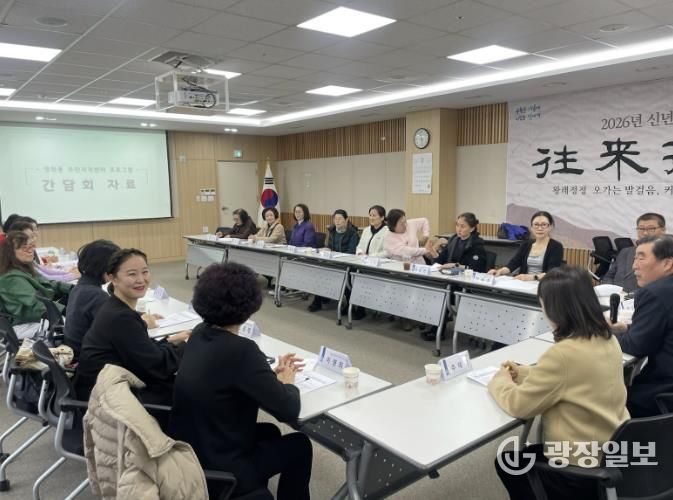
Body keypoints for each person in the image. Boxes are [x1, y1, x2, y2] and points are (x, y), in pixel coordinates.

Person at [169, 263, 312, 500]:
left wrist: (265, 377)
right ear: (249, 307)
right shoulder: (242, 350)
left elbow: (227, 376)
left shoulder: (199, 333)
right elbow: (288, 409)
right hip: (221, 469)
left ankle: (255, 489)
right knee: (300, 445)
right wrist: (287, 382)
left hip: (189, 453)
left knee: (270, 432)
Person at [489, 266, 629, 500]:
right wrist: (522, 373)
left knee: (508, 463)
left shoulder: (563, 354)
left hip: (577, 467)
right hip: (610, 450)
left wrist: (500, 381)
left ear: (554, 308)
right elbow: (571, 379)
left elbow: (518, 405)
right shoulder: (607, 339)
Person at [74, 248, 190, 403]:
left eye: (145, 272)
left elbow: (141, 349)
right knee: (194, 389)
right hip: (107, 400)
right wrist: (187, 345)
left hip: (105, 387)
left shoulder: (114, 306)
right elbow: (158, 366)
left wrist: (173, 340)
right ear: (113, 278)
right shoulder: (121, 317)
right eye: (132, 274)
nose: (141, 279)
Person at [611, 235, 673, 417]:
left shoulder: (655, 293)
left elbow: (636, 346)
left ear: (667, 264)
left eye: (641, 258)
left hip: (662, 394)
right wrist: (627, 329)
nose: (634, 266)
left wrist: (603, 334)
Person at [0, 231, 72, 338]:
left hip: (35, 317)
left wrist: (72, 288)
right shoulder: (11, 278)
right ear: (10, 253)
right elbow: (36, 305)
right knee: (73, 326)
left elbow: (48, 284)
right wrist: (67, 311)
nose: (30, 250)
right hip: (20, 324)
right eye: (24, 248)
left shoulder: (24, 268)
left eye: (31, 246)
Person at [64, 239, 120, 356]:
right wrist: (143, 323)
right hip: (93, 357)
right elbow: (118, 331)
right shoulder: (97, 296)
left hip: (78, 350)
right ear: (103, 266)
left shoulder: (80, 287)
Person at [308, 209, 360, 313]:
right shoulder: (332, 231)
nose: (337, 221)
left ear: (346, 220)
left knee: (345, 276)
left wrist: (334, 255)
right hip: (333, 263)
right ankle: (318, 300)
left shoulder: (353, 233)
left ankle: (349, 303)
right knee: (319, 272)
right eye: (335, 219)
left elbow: (351, 252)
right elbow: (329, 247)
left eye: (340, 219)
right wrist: (326, 249)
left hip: (347, 264)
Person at [489, 211, 563, 281]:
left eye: (544, 225)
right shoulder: (526, 244)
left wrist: (533, 277)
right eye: (536, 224)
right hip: (524, 283)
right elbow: (514, 263)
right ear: (531, 227)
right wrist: (500, 271)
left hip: (543, 284)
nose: (540, 228)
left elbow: (552, 272)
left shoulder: (556, 246)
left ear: (550, 227)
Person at [603, 212, 666, 293]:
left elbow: (664, 284)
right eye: (641, 229)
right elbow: (608, 276)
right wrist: (611, 291)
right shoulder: (625, 252)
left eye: (651, 229)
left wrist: (629, 296)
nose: (645, 233)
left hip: (644, 298)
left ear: (663, 230)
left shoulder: (667, 255)